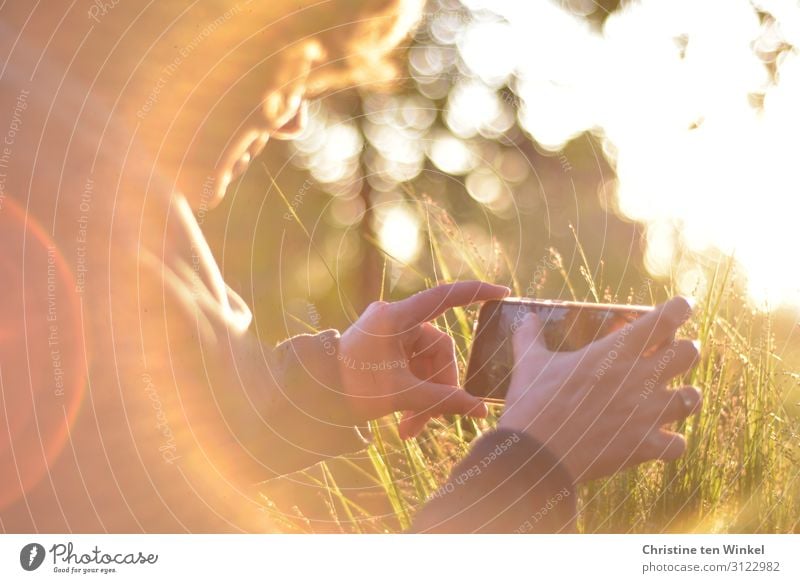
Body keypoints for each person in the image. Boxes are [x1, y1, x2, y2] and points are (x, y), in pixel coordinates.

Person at [0, 0, 701, 533]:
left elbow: (124, 469)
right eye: (300, 67)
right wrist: (529, 464)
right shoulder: (84, 220)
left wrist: (326, 385)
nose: (294, 122)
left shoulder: (62, 164)